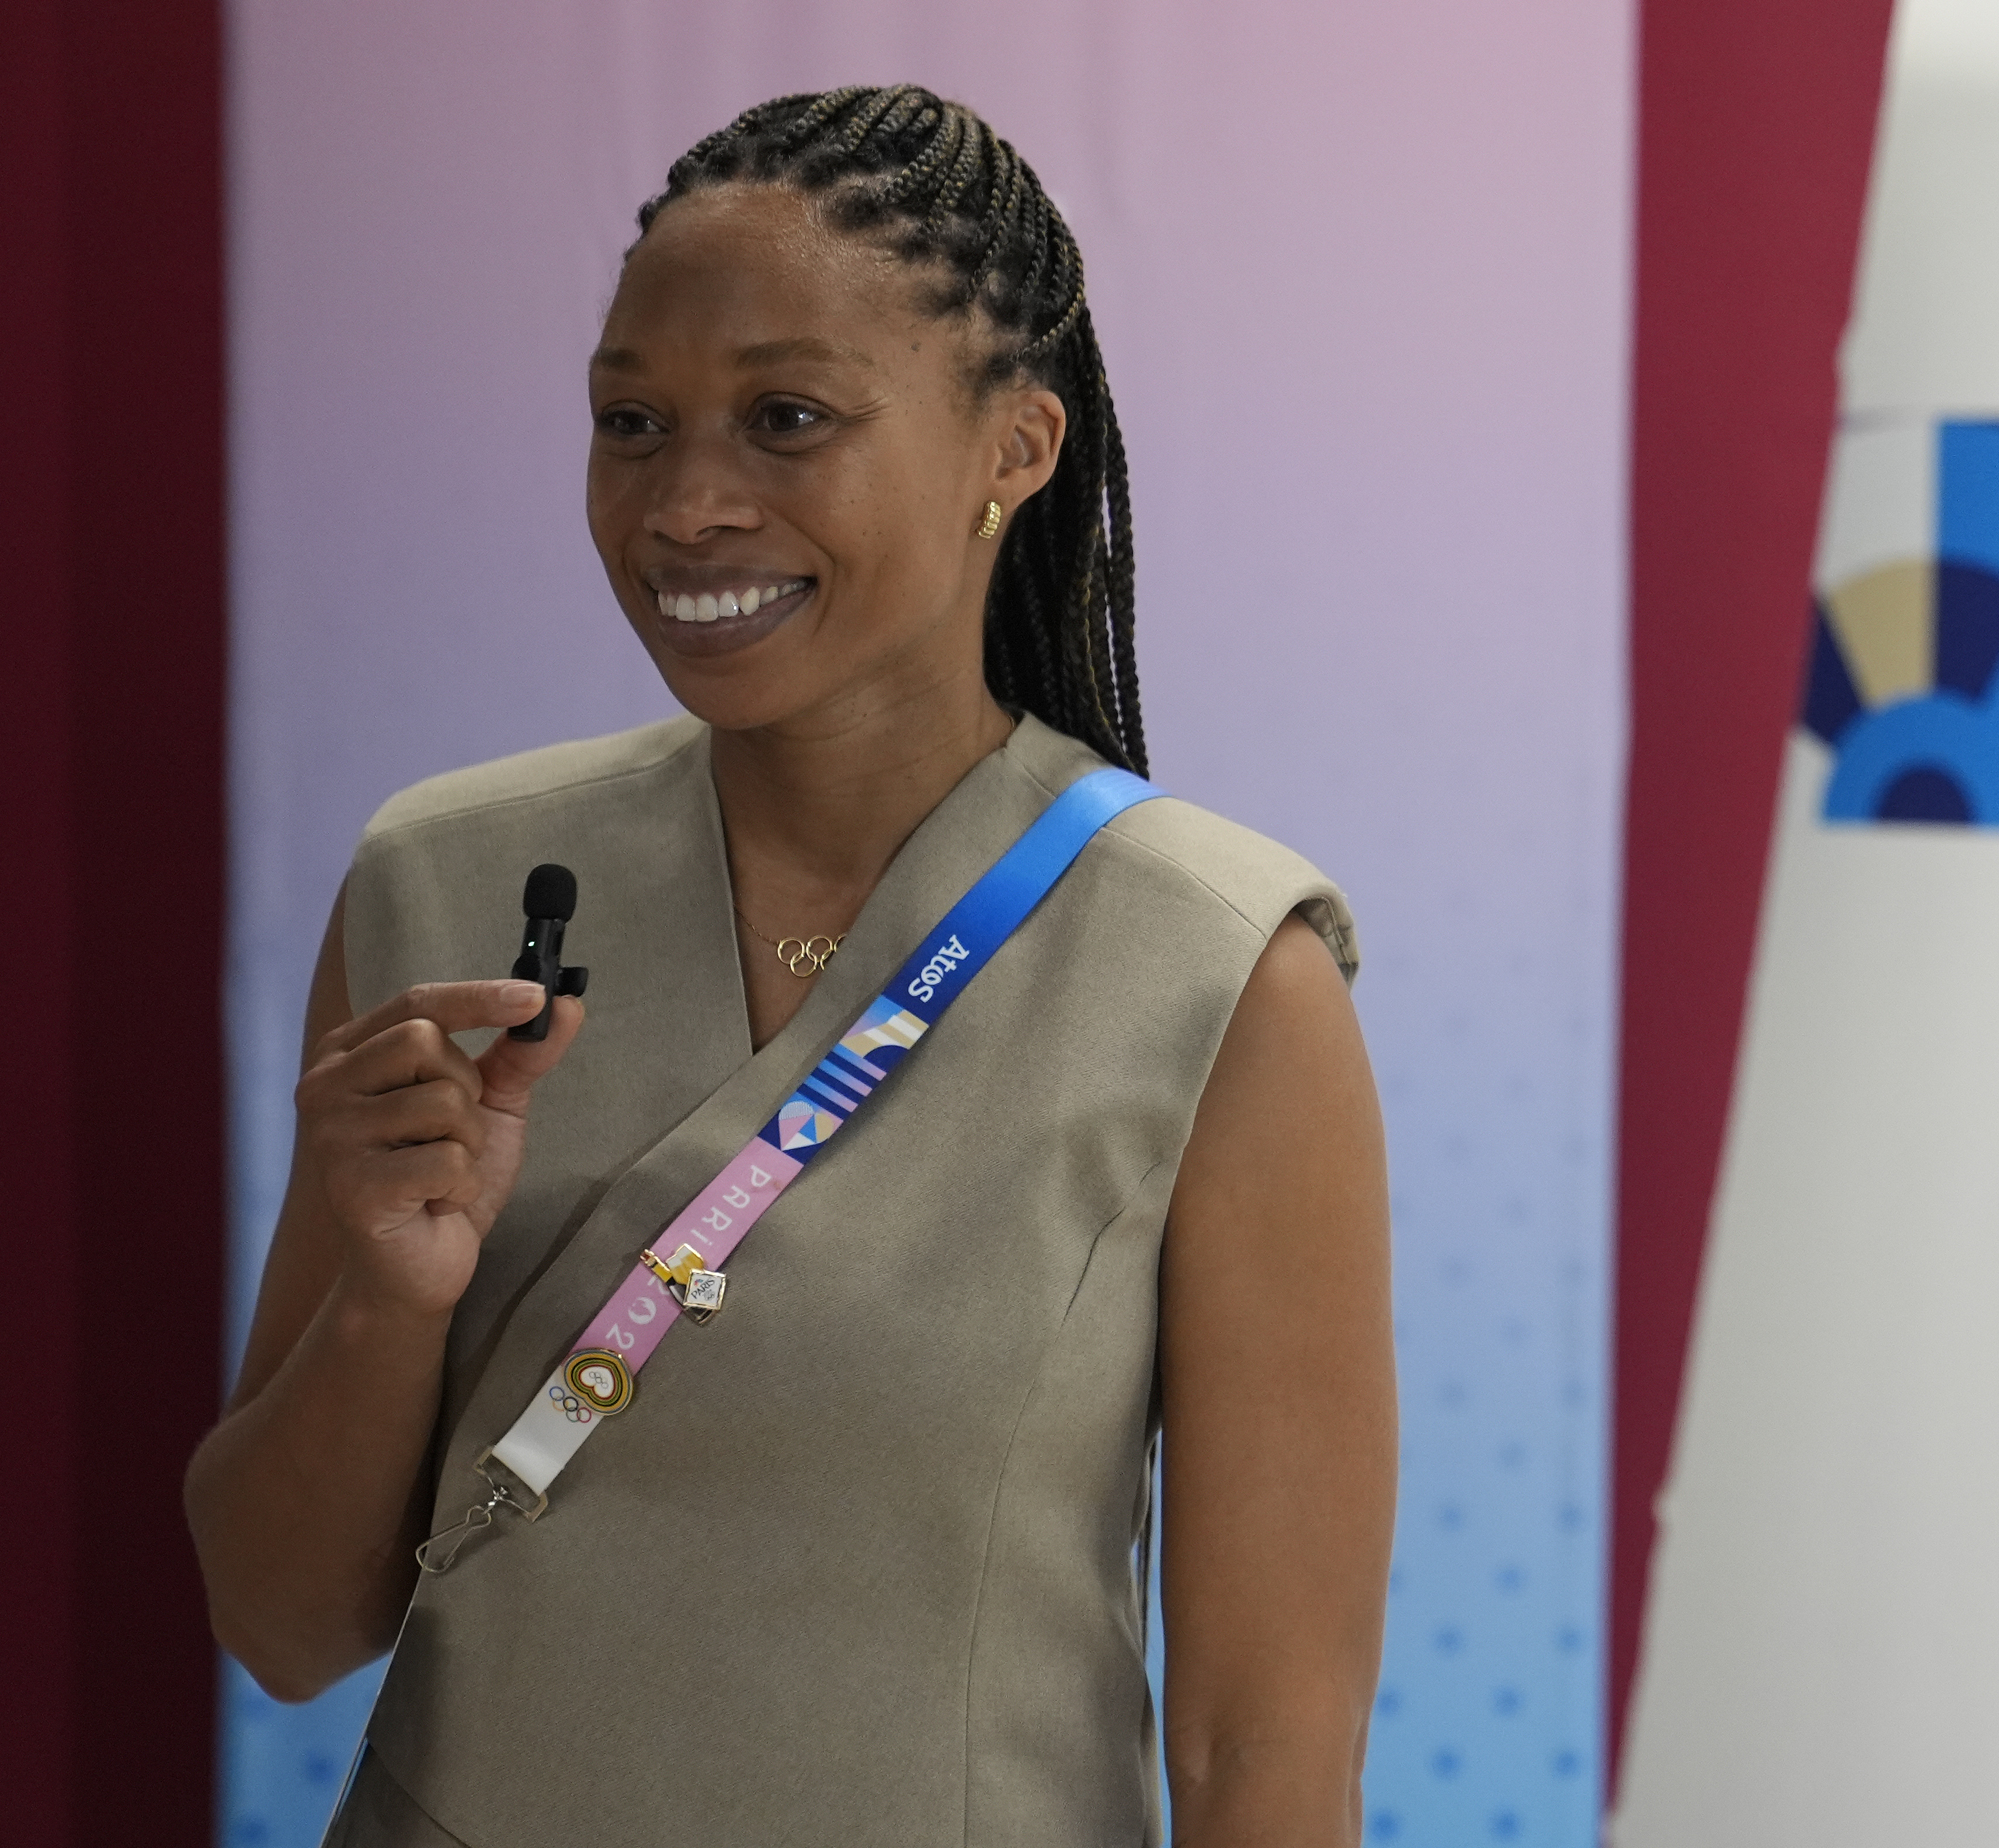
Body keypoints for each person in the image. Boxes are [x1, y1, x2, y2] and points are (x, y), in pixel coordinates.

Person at [185, 85, 1396, 1847]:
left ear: (1017, 448)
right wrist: (389, 1300)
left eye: (787, 419)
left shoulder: (1222, 977)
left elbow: (1262, 1754)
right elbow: (283, 1629)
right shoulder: (441, 883)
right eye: (631, 422)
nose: (685, 505)